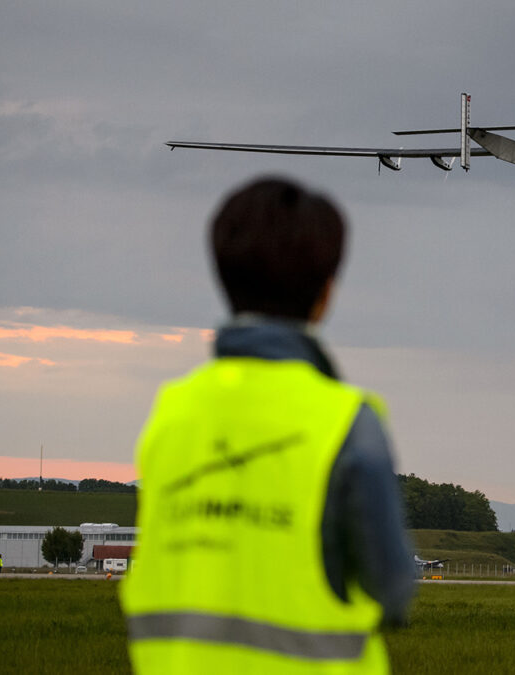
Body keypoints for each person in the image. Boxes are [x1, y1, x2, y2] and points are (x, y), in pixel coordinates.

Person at [120, 176, 416, 674]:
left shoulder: (172, 411)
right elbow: (394, 586)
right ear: (325, 294)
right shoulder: (347, 421)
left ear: (224, 281)